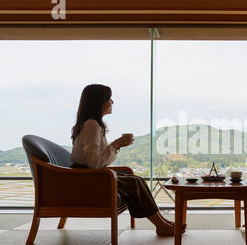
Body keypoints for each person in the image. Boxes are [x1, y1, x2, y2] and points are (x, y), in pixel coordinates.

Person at [70, 84, 185, 236]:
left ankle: (161, 222)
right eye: (109, 98)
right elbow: (94, 163)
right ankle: (160, 225)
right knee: (135, 182)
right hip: (87, 178)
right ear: (99, 102)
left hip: (89, 175)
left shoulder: (91, 124)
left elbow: (97, 161)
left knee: (136, 180)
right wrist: (116, 144)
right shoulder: (92, 125)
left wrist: (117, 146)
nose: (112, 102)